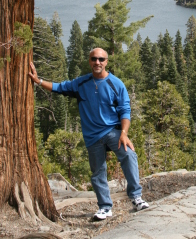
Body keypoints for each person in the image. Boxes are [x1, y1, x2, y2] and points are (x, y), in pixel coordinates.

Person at [29, 47, 149, 221]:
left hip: (112, 132)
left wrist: (124, 133)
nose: (97, 62)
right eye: (94, 59)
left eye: (101, 59)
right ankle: (105, 207)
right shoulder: (81, 83)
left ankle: (136, 197)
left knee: (129, 155)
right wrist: (38, 81)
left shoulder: (116, 84)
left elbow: (125, 110)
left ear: (106, 62)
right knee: (98, 171)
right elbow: (59, 87)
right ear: (90, 61)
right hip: (93, 137)